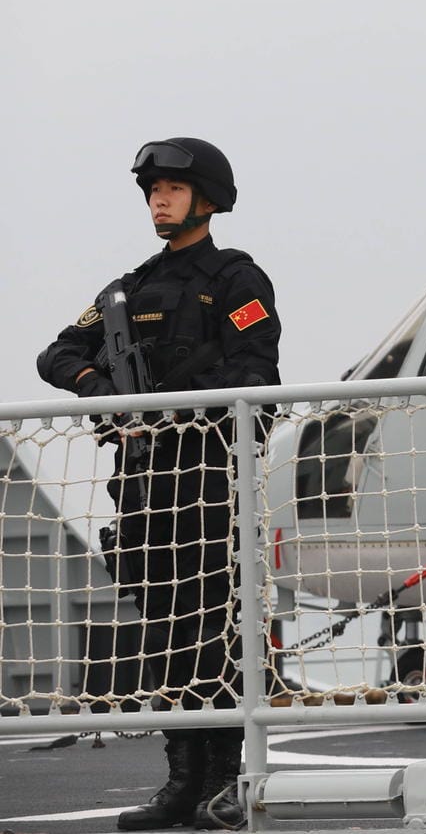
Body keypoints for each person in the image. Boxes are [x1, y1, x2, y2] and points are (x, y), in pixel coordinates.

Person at [39, 138, 280, 831]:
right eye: (152, 190)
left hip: (206, 476)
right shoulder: (127, 289)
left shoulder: (237, 279)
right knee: (164, 633)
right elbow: (58, 350)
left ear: (205, 197)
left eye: (172, 188)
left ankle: (222, 784)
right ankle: (180, 783)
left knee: (212, 630)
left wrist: (170, 408)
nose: (159, 199)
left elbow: (255, 370)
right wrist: (101, 389)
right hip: (142, 487)